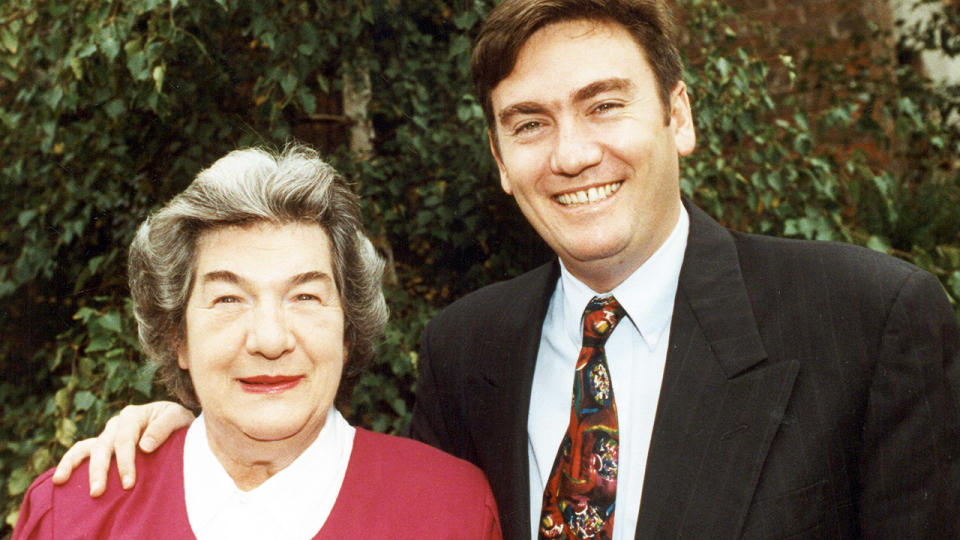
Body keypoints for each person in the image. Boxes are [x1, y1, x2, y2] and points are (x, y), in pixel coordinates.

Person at [52, 1, 960, 538]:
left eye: (604, 105)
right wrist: (190, 418)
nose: (571, 154)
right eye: (529, 122)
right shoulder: (469, 348)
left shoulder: (870, 322)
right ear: (497, 155)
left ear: (678, 114)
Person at [14, 146, 502, 539]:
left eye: (305, 296)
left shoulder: (451, 511)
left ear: (348, 331)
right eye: (228, 299)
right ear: (177, 337)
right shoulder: (72, 514)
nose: (270, 340)